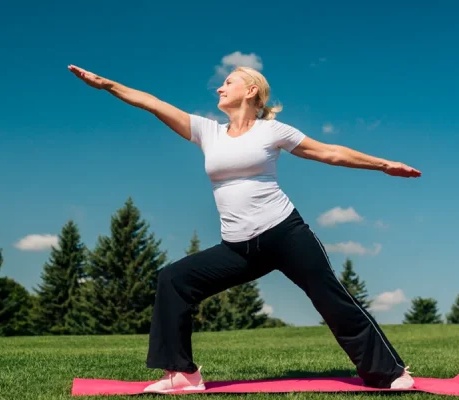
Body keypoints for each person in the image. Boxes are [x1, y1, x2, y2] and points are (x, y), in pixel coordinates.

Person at [68, 64, 421, 393]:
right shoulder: (208, 132)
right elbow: (153, 103)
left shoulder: (272, 131)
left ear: (251, 91)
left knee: (331, 299)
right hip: (238, 247)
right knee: (173, 280)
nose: (220, 87)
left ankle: (389, 373)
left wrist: (383, 164)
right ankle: (182, 375)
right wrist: (107, 85)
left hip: (285, 235)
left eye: (228, 81)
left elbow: (329, 152)